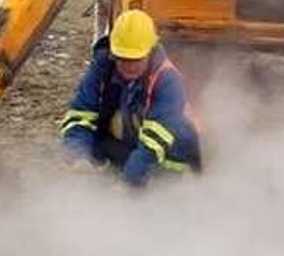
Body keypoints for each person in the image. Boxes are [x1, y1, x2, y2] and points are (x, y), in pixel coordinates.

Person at [59, 10, 201, 185]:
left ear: (150, 53)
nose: (129, 66)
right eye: (123, 59)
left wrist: (128, 183)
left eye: (136, 59)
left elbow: (154, 141)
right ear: (113, 53)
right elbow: (80, 114)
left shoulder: (167, 79)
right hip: (131, 144)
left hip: (172, 153)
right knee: (94, 149)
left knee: (158, 185)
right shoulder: (103, 67)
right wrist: (78, 156)